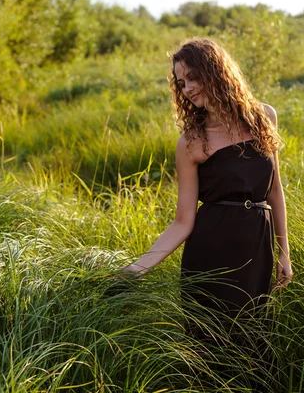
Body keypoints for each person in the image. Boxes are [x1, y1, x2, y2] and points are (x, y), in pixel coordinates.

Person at [121, 37, 292, 316]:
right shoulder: (191, 142)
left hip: (258, 247)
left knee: (257, 335)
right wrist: (136, 269)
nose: (187, 89)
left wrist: (284, 251)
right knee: (209, 344)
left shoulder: (264, 117)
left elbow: (275, 190)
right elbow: (182, 222)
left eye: (192, 78)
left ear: (215, 71)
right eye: (181, 83)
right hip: (210, 254)